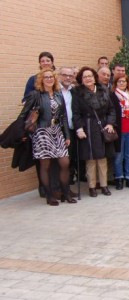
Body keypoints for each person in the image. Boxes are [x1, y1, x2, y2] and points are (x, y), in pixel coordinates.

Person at [19, 69, 73, 205]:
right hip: (42, 132)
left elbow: (64, 118)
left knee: (65, 162)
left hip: (57, 131)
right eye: (46, 77)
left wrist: (67, 135)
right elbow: (24, 115)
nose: (49, 79)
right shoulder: (35, 95)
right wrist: (23, 133)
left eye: (51, 77)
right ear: (41, 80)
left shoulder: (58, 94)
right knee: (45, 165)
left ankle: (65, 193)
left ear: (54, 79)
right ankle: (50, 196)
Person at [72, 67, 116, 197]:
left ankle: (103, 185)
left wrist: (110, 123)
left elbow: (112, 110)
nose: (88, 79)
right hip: (88, 127)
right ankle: (91, 186)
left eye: (90, 76)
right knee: (90, 159)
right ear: (81, 79)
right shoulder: (77, 93)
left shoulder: (104, 90)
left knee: (102, 158)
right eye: (85, 77)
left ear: (94, 77)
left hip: (103, 126)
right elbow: (75, 114)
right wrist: (79, 128)